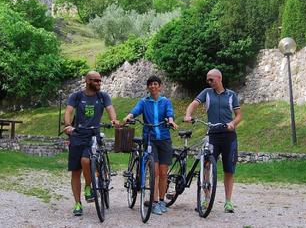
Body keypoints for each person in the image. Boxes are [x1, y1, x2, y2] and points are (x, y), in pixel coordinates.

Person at [183, 68, 242, 213]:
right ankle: (206, 199)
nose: (209, 82)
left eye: (211, 79)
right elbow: (194, 104)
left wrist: (233, 124)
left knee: (229, 170)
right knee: (207, 167)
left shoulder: (231, 95)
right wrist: (188, 114)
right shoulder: (206, 93)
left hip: (229, 136)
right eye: (207, 80)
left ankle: (228, 202)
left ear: (219, 78)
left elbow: (239, 115)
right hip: (213, 136)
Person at [64, 71, 119, 216]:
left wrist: (114, 119)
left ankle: (89, 186)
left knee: (86, 160)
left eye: (100, 81)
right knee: (75, 172)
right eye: (96, 81)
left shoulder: (103, 96)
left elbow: (110, 109)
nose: (99, 83)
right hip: (77, 135)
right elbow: (68, 111)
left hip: (93, 136)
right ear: (87, 81)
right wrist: (68, 125)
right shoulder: (76, 96)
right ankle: (77, 203)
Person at [123, 75, 178, 215]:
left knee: (163, 173)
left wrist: (170, 120)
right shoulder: (144, 102)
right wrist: (129, 116)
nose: (153, 86)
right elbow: (135, 110)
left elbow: (169, 113)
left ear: (159, 86)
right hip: (150, 139)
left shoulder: (165, 101)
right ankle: (153, 203)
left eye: (155, 84)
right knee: (154, 171)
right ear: (148, 87)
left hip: (164, 139)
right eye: (150, 84)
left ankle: (161, 200)